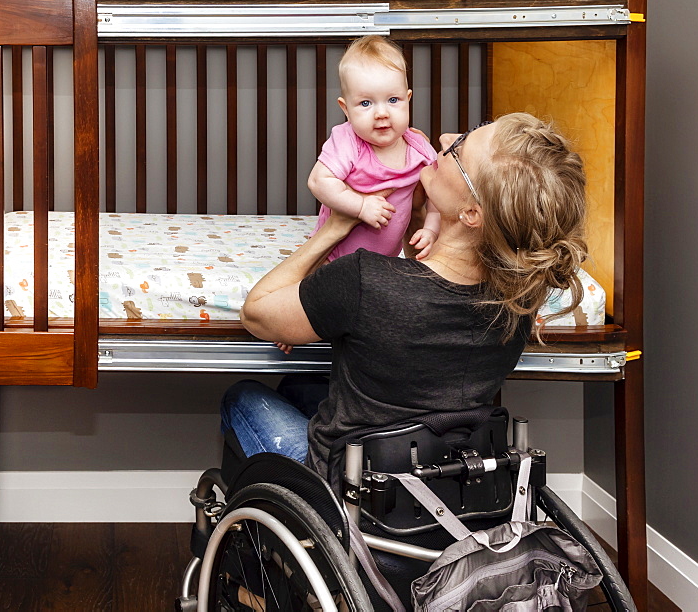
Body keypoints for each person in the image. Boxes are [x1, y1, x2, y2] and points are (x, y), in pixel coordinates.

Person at [223, 113, 588, 480]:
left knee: (242, 396)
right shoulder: (519, 297)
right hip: (448, 481)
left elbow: (256, 313)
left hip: (354, 488)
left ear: (472, 212)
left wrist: (333, 229)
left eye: (459, 148)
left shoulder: (363, 279)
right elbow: (431, 281)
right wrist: (418, 216)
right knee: (300, 387)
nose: (445, 138)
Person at [308, 35, 439, 262]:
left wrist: (431, 230)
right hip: (333, 259)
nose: (382, 113)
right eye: (366, 103)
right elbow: (319, 181)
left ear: (408, 99)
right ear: (346, 108)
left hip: (383, 261)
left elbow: (438, 199)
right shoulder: (347, 142)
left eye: (393, 100)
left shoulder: (420, 150)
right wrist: (360, 206)